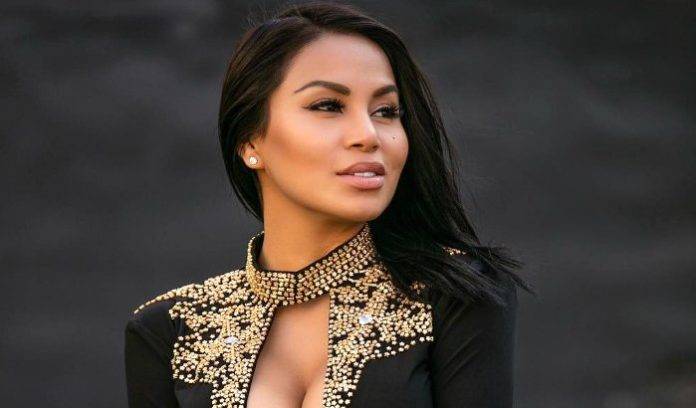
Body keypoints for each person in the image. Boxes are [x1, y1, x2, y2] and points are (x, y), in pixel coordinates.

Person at [124, 2, 533, 407]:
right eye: (328, 106)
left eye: (386, 111)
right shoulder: (170, 329)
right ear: (250, 140)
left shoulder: (454, 295)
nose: (368, 134)